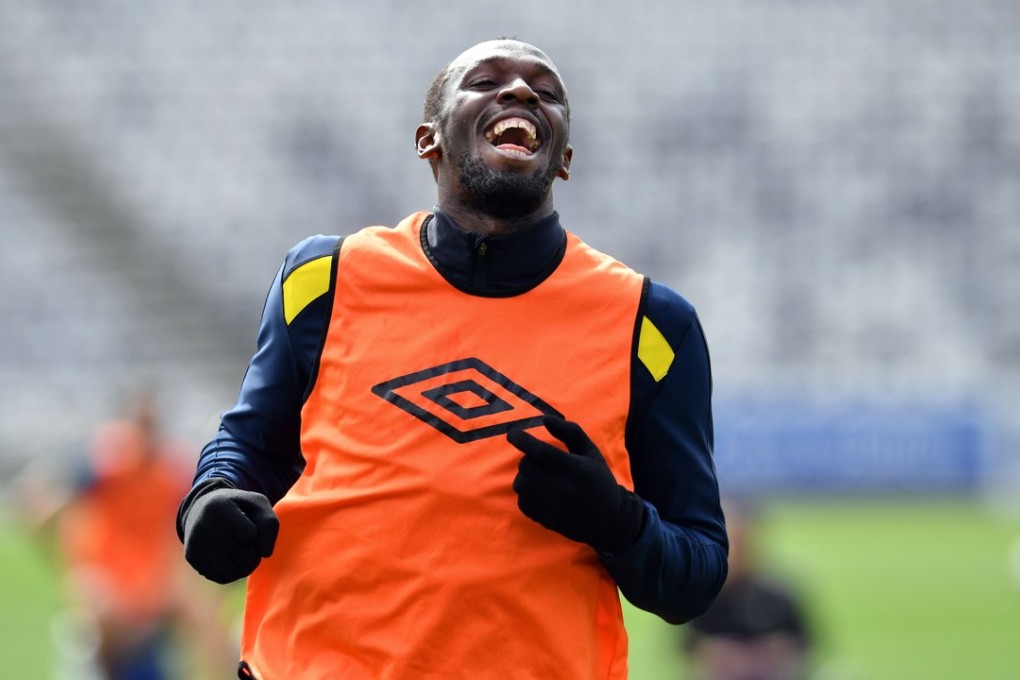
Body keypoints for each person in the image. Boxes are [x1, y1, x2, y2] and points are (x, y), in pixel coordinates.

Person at [177, 38, 728, 679]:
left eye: (546, 93)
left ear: (565, 161)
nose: (520, 92)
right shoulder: (323, 277)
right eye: (485, 82)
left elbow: (698, 574)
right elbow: (251, 443)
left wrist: (620, 523)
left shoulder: (651, 325)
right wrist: (210, 497)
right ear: (428, 141)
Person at [16, 390, 238, 680]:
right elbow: (41, 507)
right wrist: (68, 568)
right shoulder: (110, 463)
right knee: (101, 607)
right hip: (106, 577)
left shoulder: (169, 472)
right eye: (142, 425)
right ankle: (96, 668)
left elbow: (203, 514)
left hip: (152, 582)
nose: (148, 435)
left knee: (204, 612)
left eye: (153, 425)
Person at [682, 499, 812, 680]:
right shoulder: (704, 597)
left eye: (742, 542)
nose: (738, 551)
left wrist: (772, 651)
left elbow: (803, 646)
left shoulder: (777, 595)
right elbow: (688, 650)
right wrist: (720, 653)